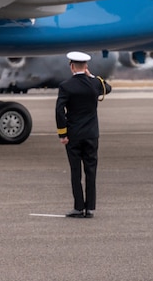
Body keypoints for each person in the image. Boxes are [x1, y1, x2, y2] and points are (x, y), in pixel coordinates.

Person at [55, 51, 112, 219]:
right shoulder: (95, 84)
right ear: (85, 66)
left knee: (75, 172)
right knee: (91, 171)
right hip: (92, 135)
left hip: (74, 135)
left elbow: (59, 110)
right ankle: (91, 209)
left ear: (72, 67)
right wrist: (92, 76)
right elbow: (107, 88)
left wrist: (62, 133)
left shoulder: (66, 86)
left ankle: (79, 208)